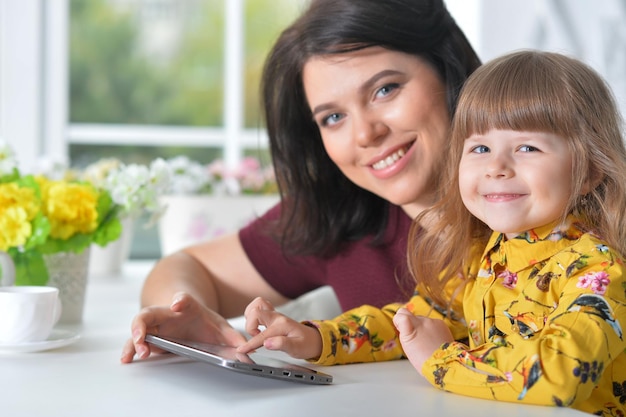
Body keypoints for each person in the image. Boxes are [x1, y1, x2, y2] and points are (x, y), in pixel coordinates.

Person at [238, 50, 626, 416]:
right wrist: (317, 339)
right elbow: (408, 322)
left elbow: (558, 375)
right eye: (479, 149)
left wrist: (441, 359)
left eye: (527, 147)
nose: (497, 167)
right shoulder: (482, 257)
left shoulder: (598, 273)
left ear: (589, 171)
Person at [120, 0, 481, 363]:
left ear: (448, 68)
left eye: (385, 90)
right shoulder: (340, 217)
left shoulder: (533, 204)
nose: (365, 134)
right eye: (334, 117)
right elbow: (184, 267)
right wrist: (182, 314)